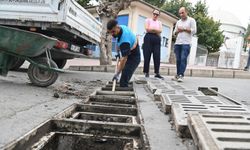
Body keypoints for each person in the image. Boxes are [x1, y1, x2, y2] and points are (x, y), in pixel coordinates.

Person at [107, 19, 141, 87]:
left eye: (113, 32)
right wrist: (118, 52)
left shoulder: (124, 41)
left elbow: (123, 59)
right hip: (130, 50)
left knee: (123, 81)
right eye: (110, 32)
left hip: (134, 58)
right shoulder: (122, 27)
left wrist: (117, 74)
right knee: (123, 71)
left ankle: (124, 90)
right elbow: (118, 41)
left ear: (117, 27)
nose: (112, 34)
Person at [173, 7, 196, 82]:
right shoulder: (178, 21)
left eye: (182, 12)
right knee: (178, 60)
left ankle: (181, 75)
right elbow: (174, 32)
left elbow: (194, 31)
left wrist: (184, 29)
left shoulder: (191, 20)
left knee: (183, 58)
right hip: (178, 43)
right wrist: (177, 31)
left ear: (186, 12)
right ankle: (177, 74)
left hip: (186, 43)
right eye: (180, 13)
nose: (181, 14)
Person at [143, 9, 164, 79]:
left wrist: (152, 29)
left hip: (157, 39)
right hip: (148, 38)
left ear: (158, 15)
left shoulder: (159, 22)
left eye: (157, 14)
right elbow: (147, 29)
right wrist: (156, 31)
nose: (155, 15)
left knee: (157, 56)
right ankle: (146, 72)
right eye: (154, 14)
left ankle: (157, 73)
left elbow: (160, 31)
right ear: (152, 13)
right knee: (147, 55)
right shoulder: (147, 20)